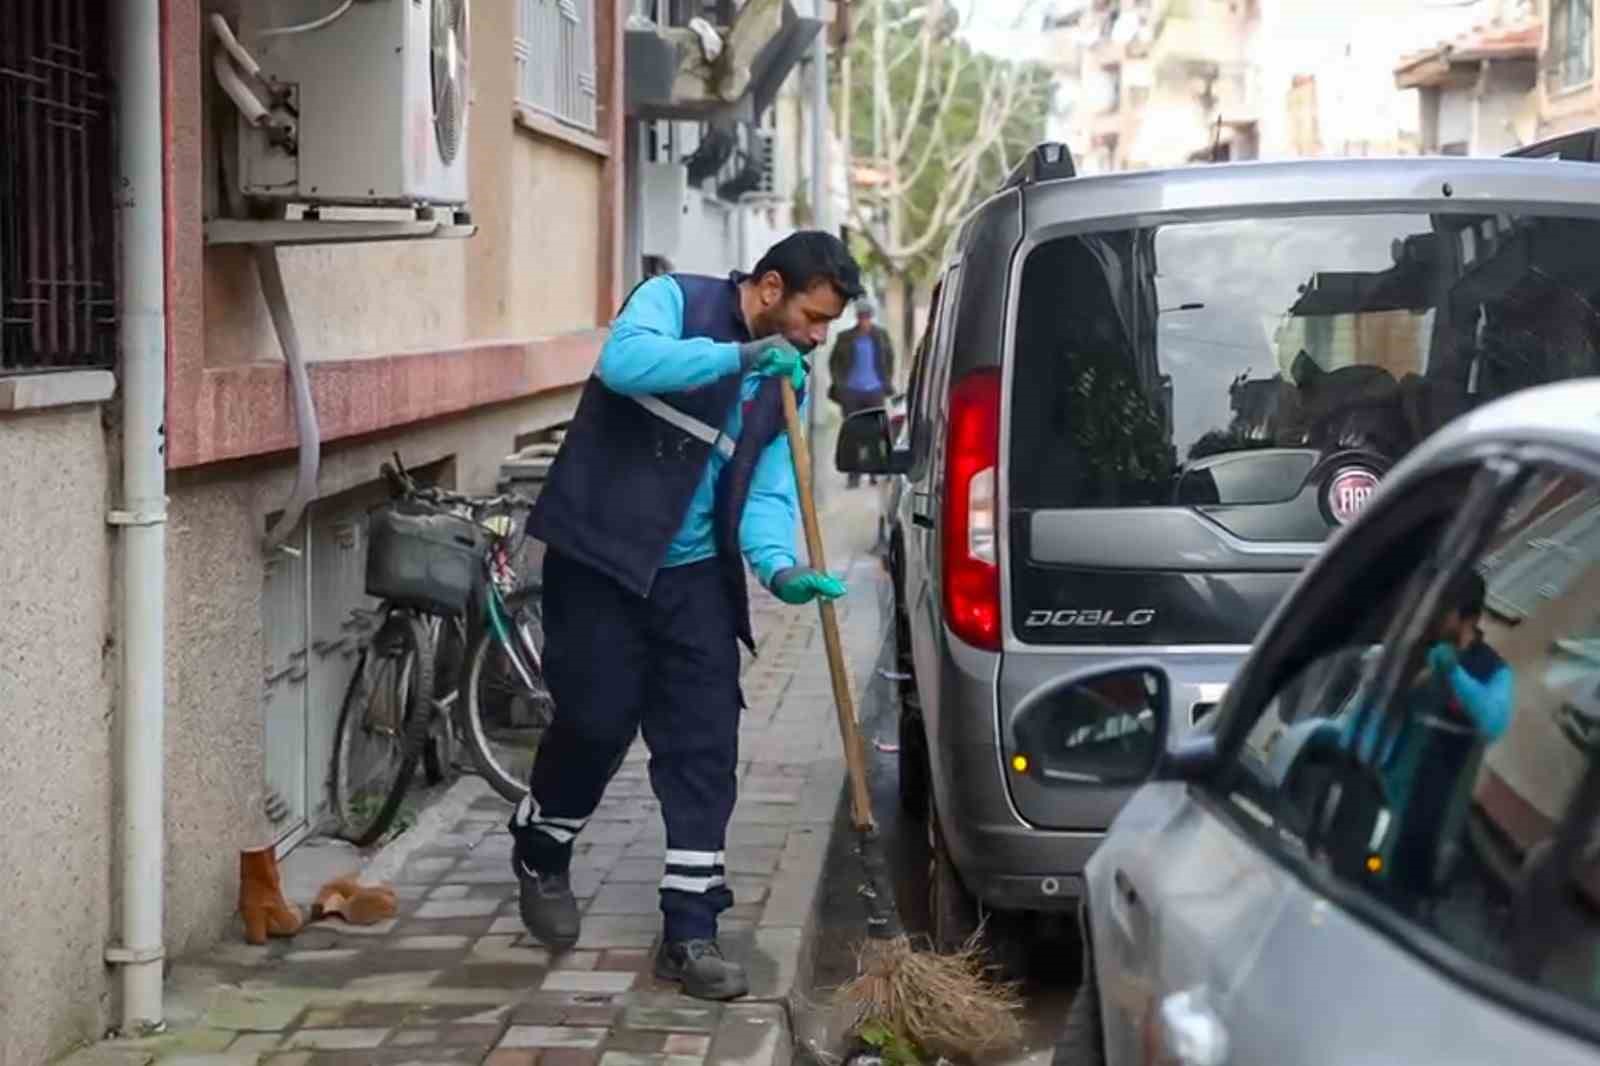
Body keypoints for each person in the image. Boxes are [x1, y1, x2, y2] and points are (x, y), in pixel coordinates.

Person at [514, 232, 865, 1001]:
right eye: (811, 317)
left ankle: (690, 927)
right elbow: (625, 364)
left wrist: (781, 568)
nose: (814, 338)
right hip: (600, 561)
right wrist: (738, 359)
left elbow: (769, 492)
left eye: (827, 327)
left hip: (695, 578)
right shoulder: (673, 301)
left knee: (703, 740)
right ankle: (542, 847)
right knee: (597, 723)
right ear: (770, 288)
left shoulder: (790, 383)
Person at [828, 298, 895, 487]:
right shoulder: (845, 337)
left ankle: (874, 472)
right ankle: (853, 475)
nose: (864, 320)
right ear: (857, 318)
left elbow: (889, 359)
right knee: (853, 433)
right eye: (861, 317)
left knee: (874, 432)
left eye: (867, 317)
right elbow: (834, 363)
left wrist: (885, 382)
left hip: (874, 390)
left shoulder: (880, 336)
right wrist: (840, 385)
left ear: (871, 318)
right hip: (852, 391)